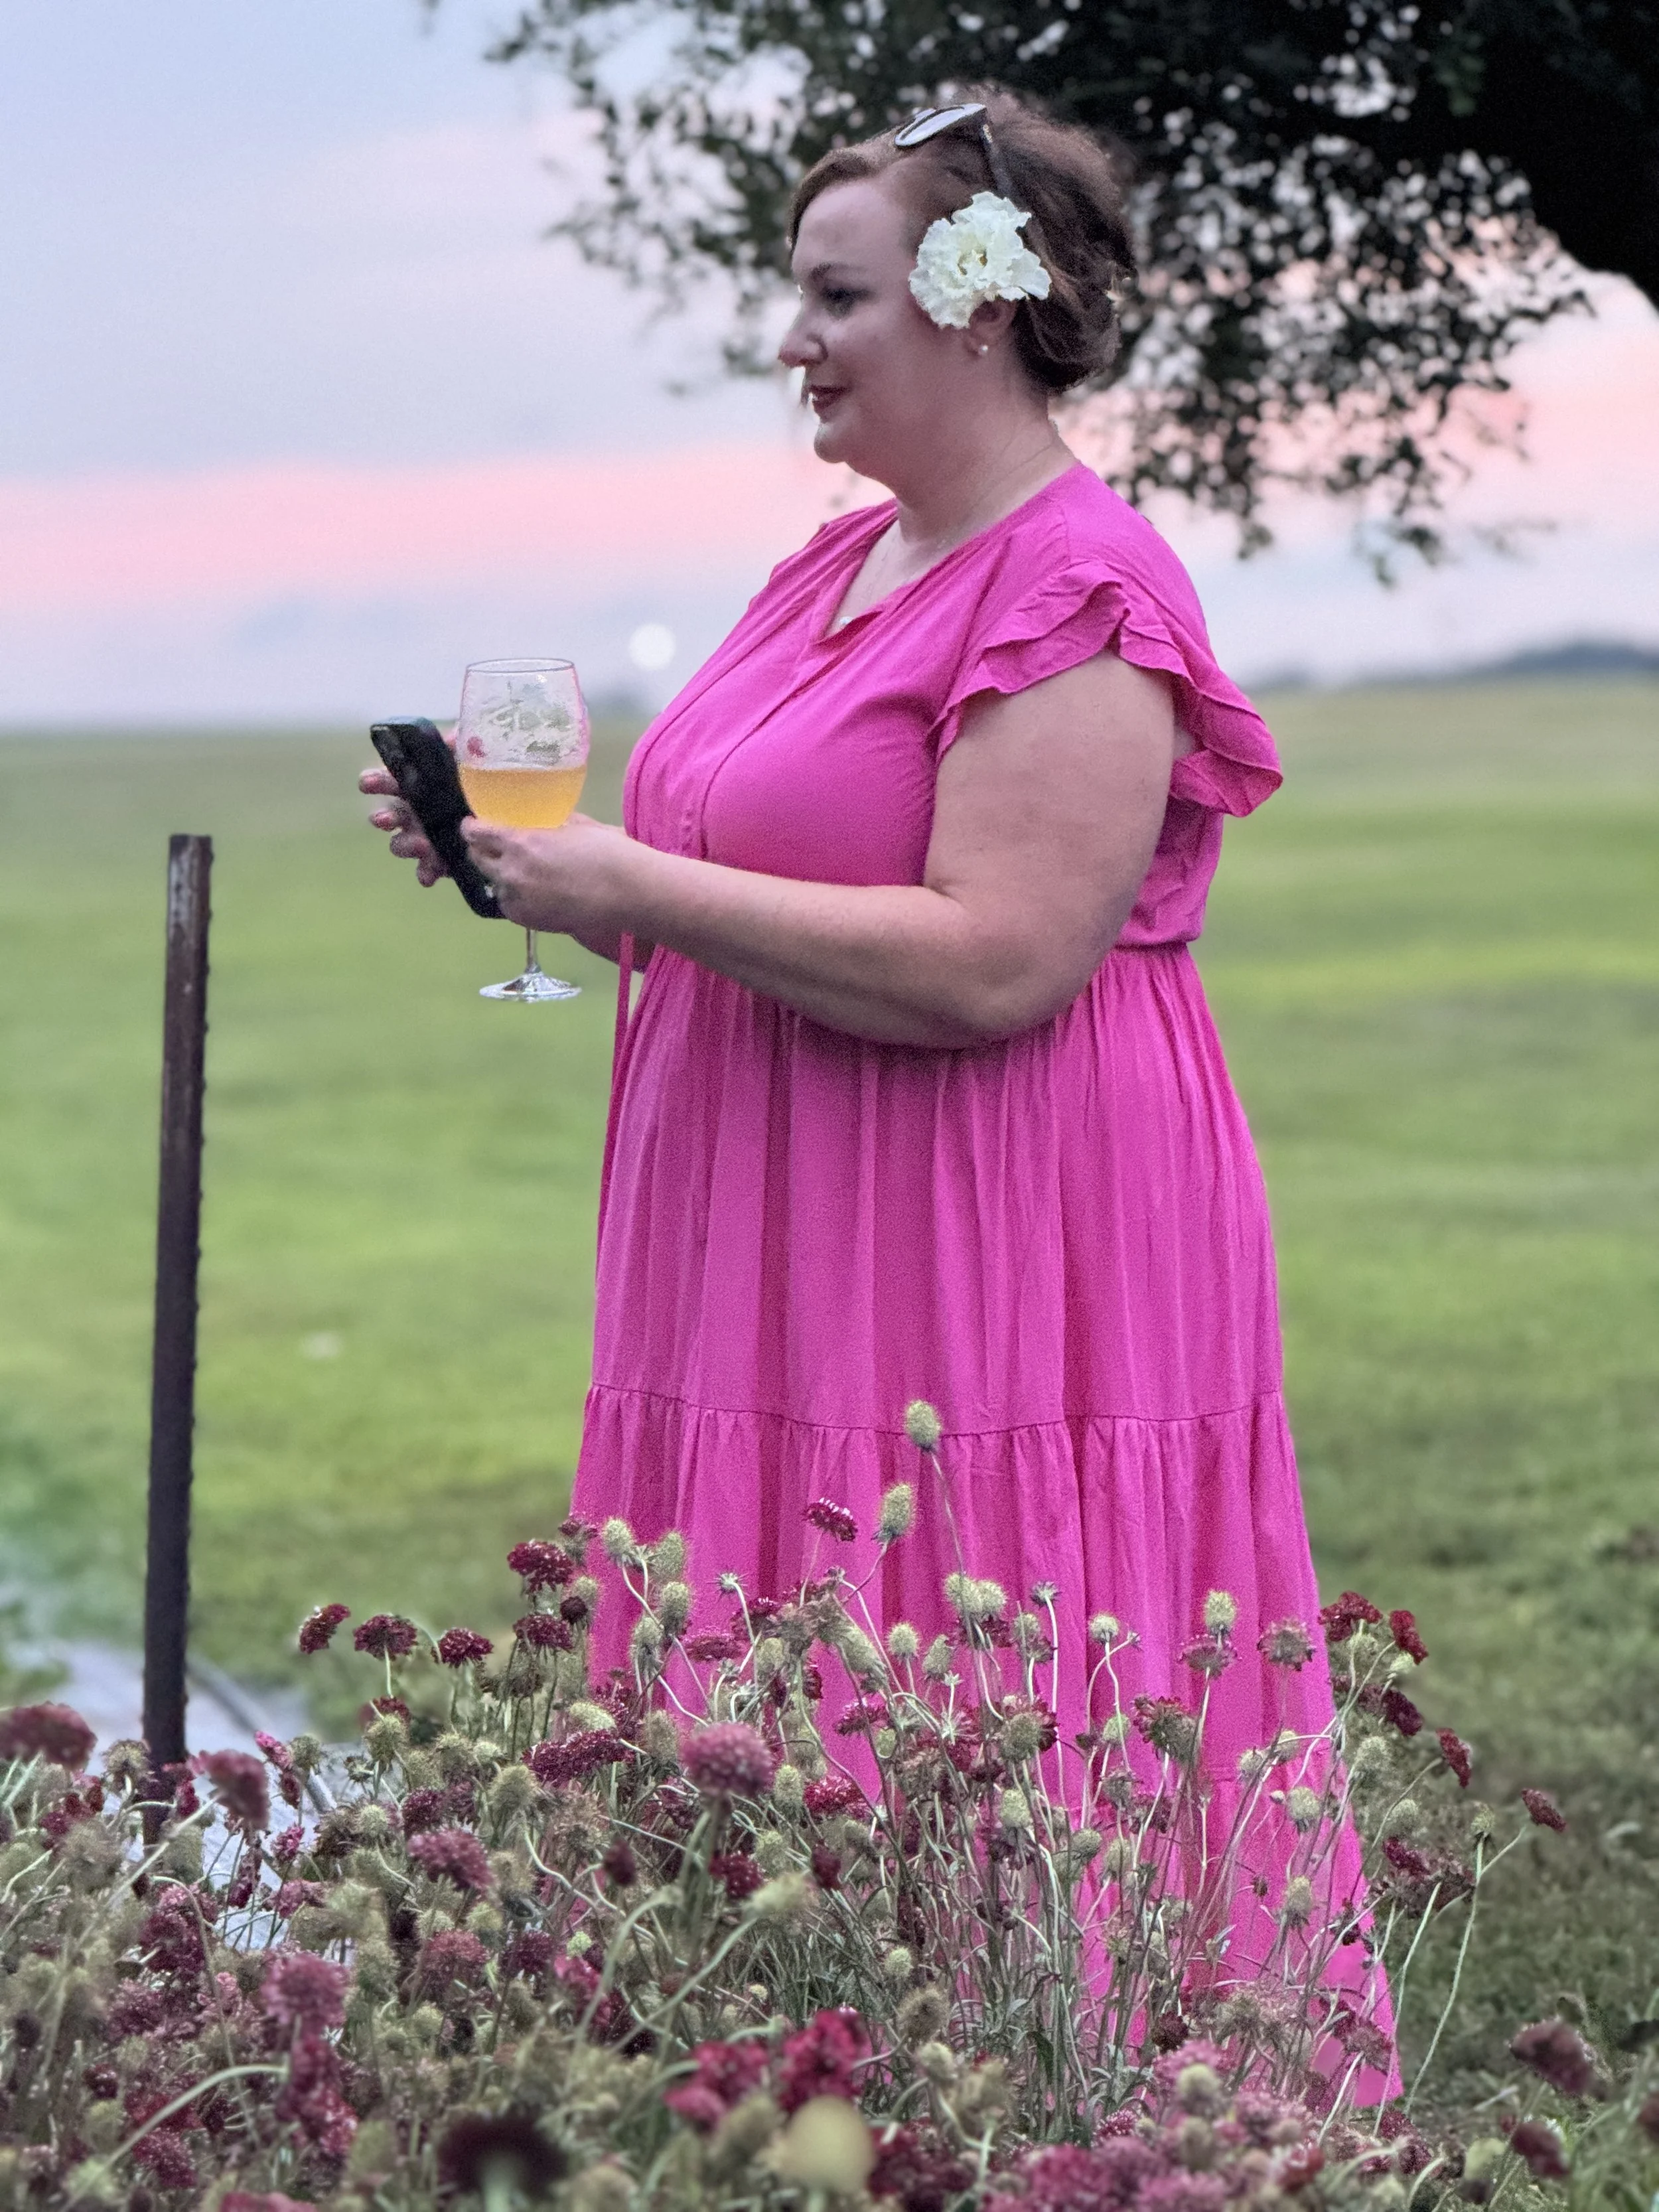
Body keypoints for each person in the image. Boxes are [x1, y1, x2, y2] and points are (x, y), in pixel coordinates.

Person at [365, 90, 1386, 2036]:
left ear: (974, 310)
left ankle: (1051, 2082)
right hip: (766, 1216)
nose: (792, 341)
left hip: (978, 1219)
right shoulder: (823, 572)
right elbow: (731, 892)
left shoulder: (1078, 590)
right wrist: (537, 877)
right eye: (796, 295)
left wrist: (638, 877)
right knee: (768, 1624)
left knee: (959, 1613)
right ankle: (767, 2067)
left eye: (834, 296)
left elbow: (999, 958)